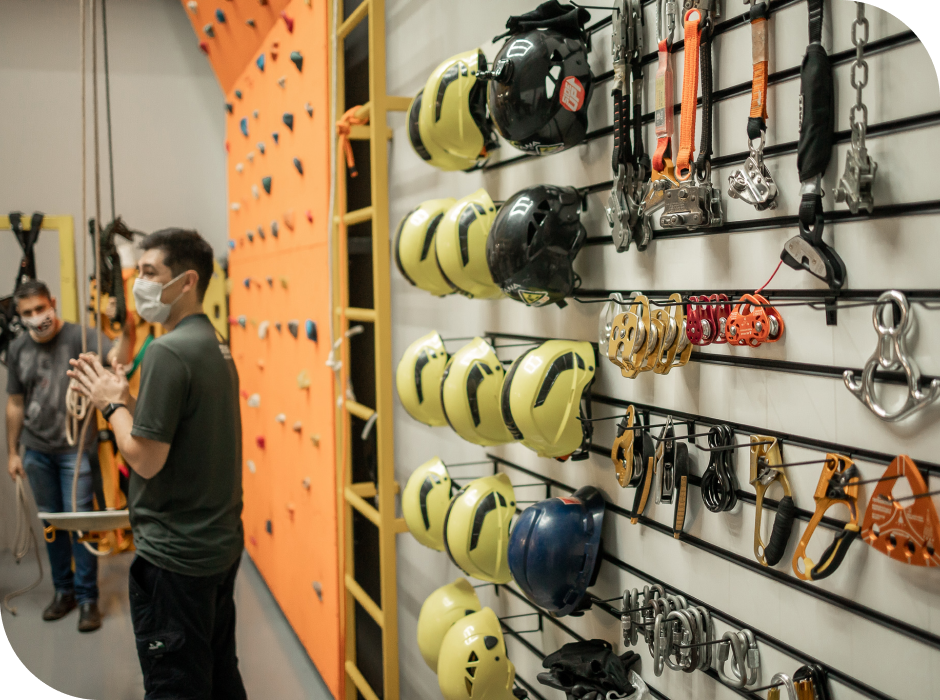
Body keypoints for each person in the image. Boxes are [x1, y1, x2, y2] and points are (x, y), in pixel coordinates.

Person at [68, 229, 246, 700]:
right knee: (220, 672)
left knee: (177, 685)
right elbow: (175, 430)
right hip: (218, 546)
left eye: (150, 273)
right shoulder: (213, 343)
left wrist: (110, 405)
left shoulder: (168, 351)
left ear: (187, 282)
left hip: (175, 557)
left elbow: (145, 458)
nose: (139, 284)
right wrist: (124, 396)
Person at [5, 279, 133, 632]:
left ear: (53, 303)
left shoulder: (83, 337)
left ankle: (88, 597)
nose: (37, 317)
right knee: (52, 525)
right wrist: (12, 452)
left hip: (74, 452)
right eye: (28, 313)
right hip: (36, 451)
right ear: (20, 315)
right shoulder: (17, 349)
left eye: (40, 309)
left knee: (81, 524)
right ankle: (64, 592)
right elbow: (15, 403)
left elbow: (119, 358)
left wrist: (127, 324)